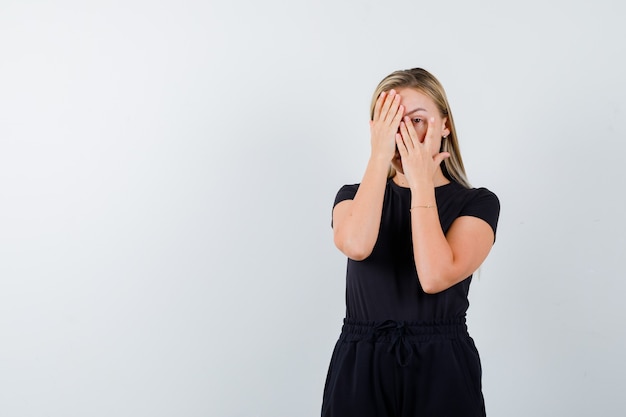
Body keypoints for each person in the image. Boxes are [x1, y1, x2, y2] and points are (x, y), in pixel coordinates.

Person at [321, 68, 500, 417]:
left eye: (417, 120)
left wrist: (421, 183)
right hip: (361, 360)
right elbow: (356, 245)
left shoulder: (478, 203)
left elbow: (434, 276)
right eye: (391, 122)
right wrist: (378, 157)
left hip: (442, 362)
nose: (405, 134)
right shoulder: (350, 197)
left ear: (444, 125)